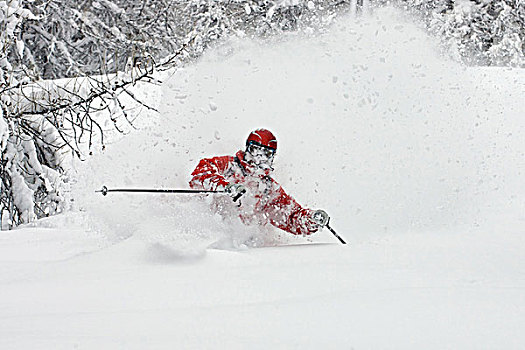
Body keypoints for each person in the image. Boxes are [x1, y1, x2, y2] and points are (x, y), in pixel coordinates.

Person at [189, 128, 330, 236]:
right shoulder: (229, 166)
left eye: (266, 154)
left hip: (240, 244)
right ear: (248, 149)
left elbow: (290, 217)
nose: (260, 158)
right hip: (205, 228)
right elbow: (202, 172)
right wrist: (225, 186)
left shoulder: (268, 188)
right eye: (256, 150)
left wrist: (311, 220)